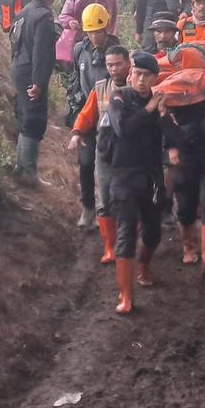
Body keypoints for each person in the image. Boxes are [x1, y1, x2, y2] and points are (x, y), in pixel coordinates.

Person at [107, 51, 167, 313]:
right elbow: (124, 129)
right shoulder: (119, 97)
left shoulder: (161, 102)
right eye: (137, 74)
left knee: (154, 231)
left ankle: (143, 265)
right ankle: (126, 297)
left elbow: (174, 135)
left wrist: (163, 114)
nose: (141, 80)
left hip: (152, 177)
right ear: (130, 74)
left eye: (147, 76)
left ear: (155, 78)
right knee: (126, 234)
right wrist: (149, 110)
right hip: (123, 175)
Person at [69, 44, 132, 264]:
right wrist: (77, 133)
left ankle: (131, 242)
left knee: (131, 198)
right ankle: (109, 247)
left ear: (128, 63)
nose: (113, 69)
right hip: (105, 152)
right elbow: (87, 114)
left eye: (118, 64)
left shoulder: (138, 86)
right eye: (109, 65)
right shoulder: (101, 88)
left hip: (132, 153)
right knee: (104, 198)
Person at [68, 4, 122, 229]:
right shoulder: (80, 50)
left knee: (113, 165)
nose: (95, 36)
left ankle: (112, 209)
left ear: (106, 28)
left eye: (98, 31)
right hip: (88, 114)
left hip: (111, 117)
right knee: (86, 162)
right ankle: (88, 208)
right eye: (90, 32)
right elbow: (75, 77)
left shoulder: (116, 51)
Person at [163, 90, 205, 268]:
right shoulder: (173, 96)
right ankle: (188, 247)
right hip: (184, 159)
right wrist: (171, 146)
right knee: (186, 205)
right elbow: (166, 129)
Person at [11, 0, 61, 182]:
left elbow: (15, 43)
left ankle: (21, 167)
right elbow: (42, 53)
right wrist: (39, 83)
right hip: (32, 71)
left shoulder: (24, 12)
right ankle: (29, 172)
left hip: (19, 68)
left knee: (25, 116)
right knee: (35, 119)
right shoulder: (44, 17)